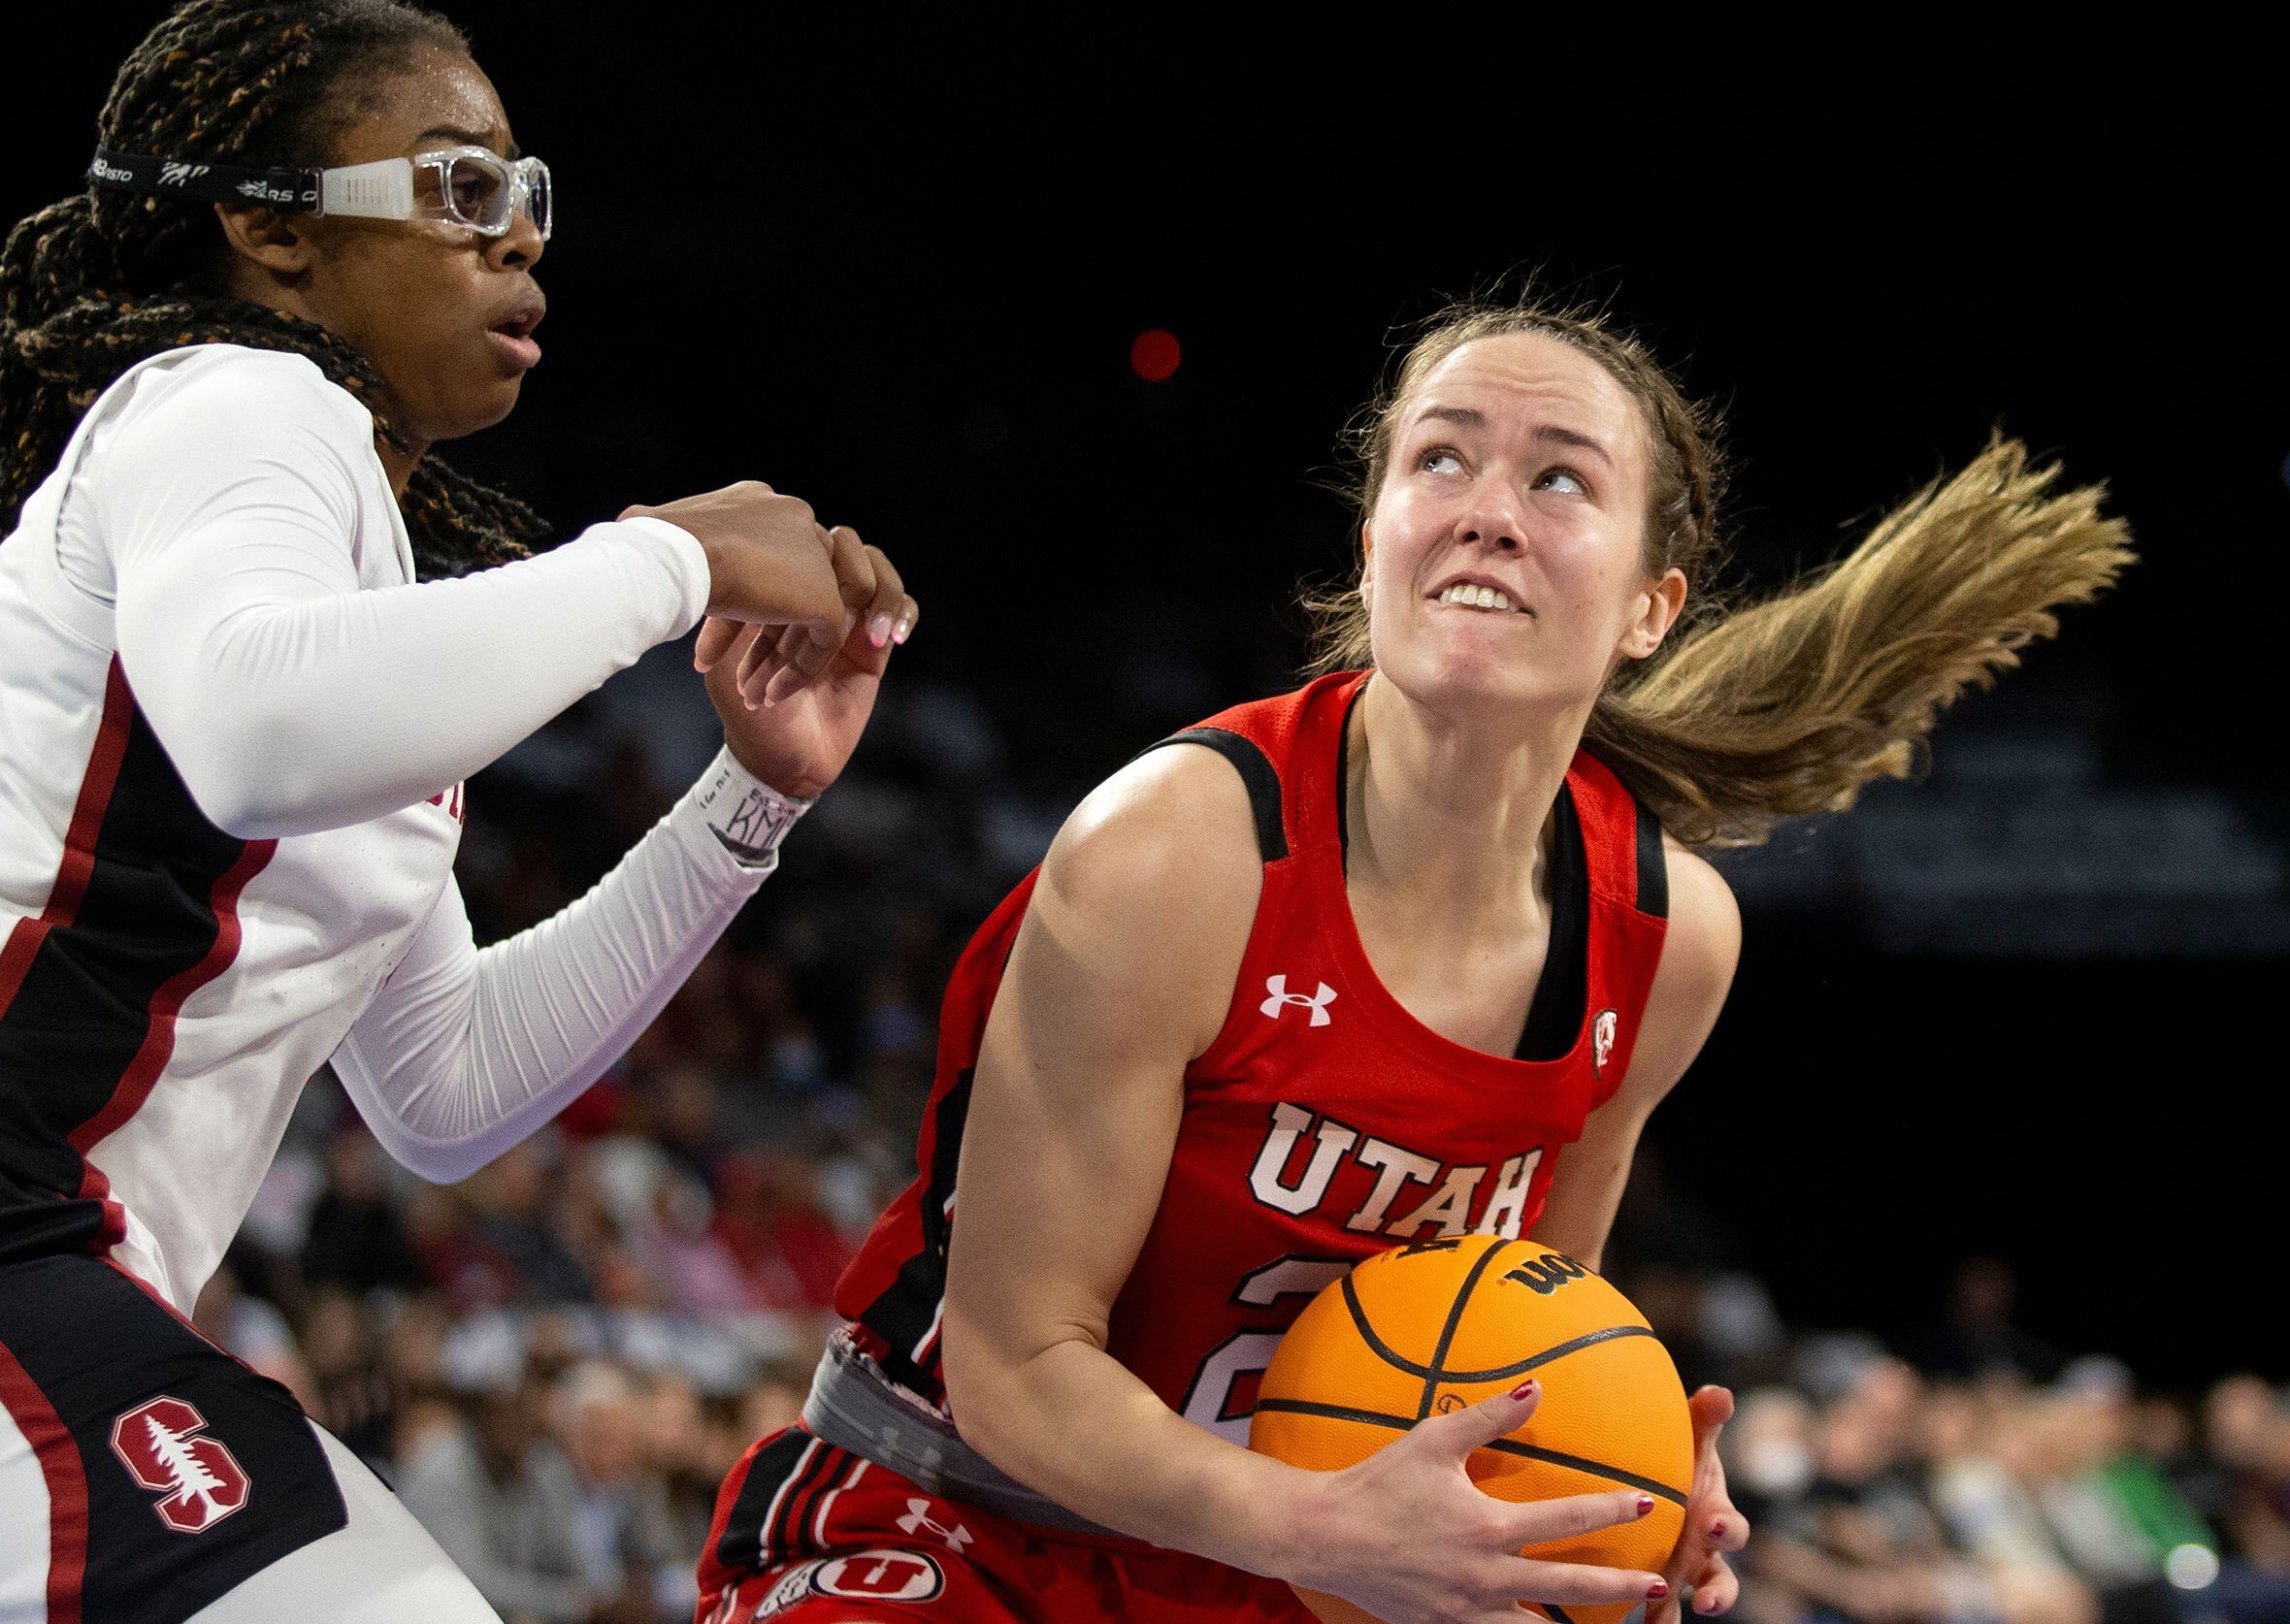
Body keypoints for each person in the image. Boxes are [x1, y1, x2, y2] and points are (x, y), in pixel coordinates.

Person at [0, 3, 916, 1619]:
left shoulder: (345, 603)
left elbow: (443, 1087)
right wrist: (668, 556)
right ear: (270, 228)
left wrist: (745, 801)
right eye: (460, 188)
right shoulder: (239, 399)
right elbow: (262, 720)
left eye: (530, 196)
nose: (518, 240)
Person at [696, 301, 2132, 1624]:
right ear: (1376, 536)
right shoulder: (1177, 850)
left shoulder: (1668, 940)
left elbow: (1516, 1334)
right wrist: (1321, 1526)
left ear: (1652, 605)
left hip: (1291, 1570)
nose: (1490, 511)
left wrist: (1598, 1495)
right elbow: (1016, 1368)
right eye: (1442, 460)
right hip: (962, 1520)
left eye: (1560, 478)